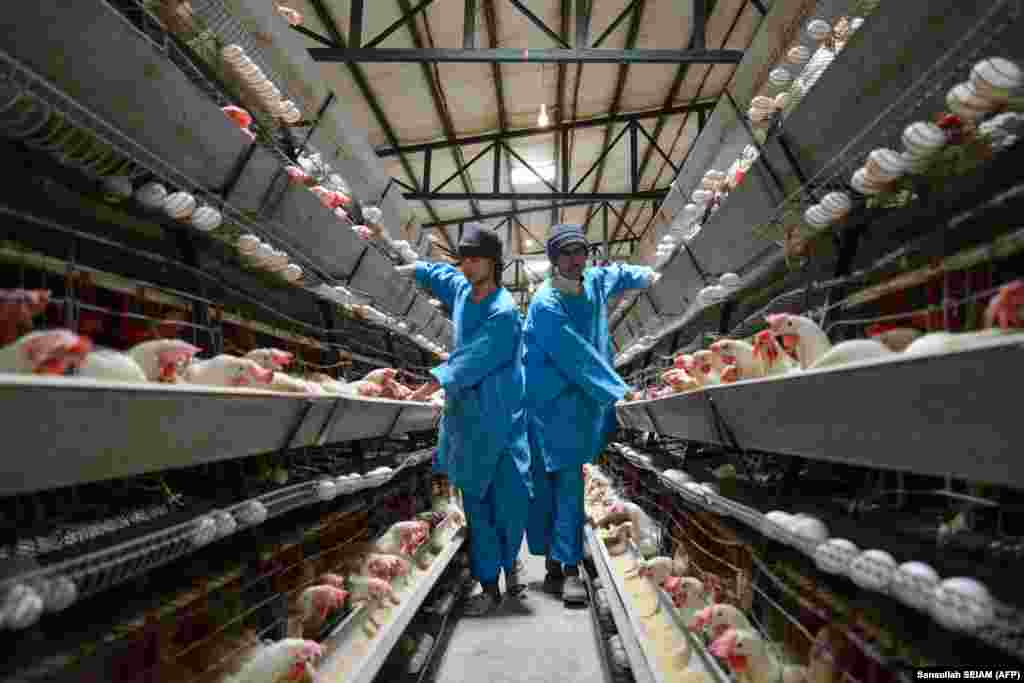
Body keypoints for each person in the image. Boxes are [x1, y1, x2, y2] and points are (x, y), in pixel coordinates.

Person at [397, 223, 532, 616]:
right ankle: (489, 586)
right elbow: (443, 276)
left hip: (501, 419)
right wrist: (415, 269)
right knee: (477, 506)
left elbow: (473, 360)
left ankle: (512, 567)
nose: (467, 266)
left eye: (476, 259)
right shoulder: (461, 288)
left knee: (510, 503)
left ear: (494, 262)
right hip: (468, 421)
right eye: (464, 259)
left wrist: (430, 384)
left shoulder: (504, 313)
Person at [523, 223, 659, 604]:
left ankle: (558, 559)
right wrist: (620, 390)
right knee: (561, 486)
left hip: (581, 401)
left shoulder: (594, 279)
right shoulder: (545, 302)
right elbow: (575, 355)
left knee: (566, 482)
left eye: (579, 251)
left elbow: (617, 274)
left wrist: (647, 275)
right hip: (551, 403)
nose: (574, 259)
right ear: (553, 259)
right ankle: (567, 569)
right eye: (565, 253)